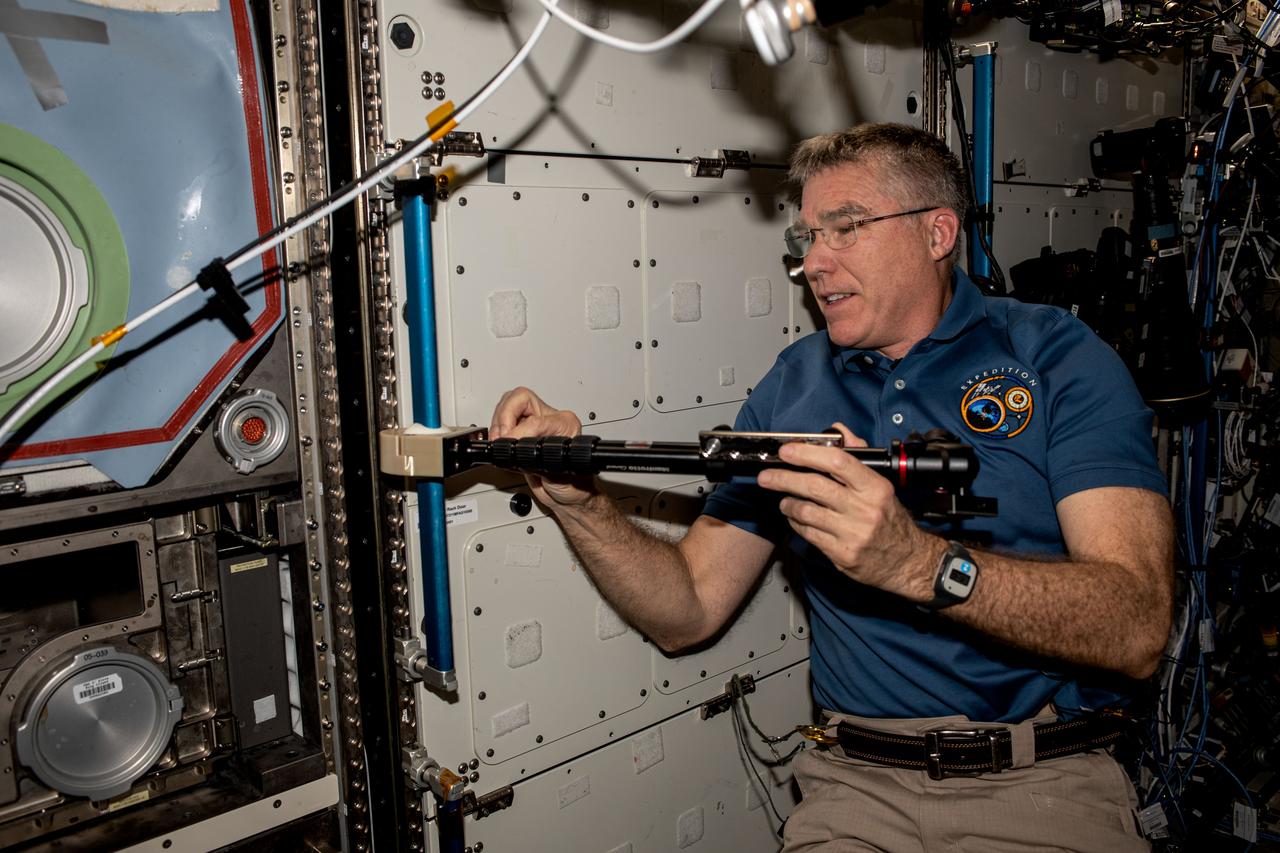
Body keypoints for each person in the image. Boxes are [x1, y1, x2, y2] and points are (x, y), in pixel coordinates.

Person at [489, 123, 1173, 852]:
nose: (813, 263)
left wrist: (918, 563)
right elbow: (688, 608)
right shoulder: (795, 383)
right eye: (807, 237)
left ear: (938, 232)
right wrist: (582, 503)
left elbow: (1137, 628)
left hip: (1039, 778)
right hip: (854, 786)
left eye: (845, 228)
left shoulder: (1055, 357)